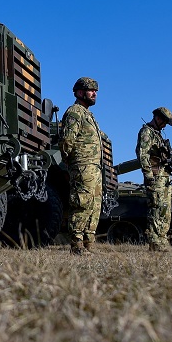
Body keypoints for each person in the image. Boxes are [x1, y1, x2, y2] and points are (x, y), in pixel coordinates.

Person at [58, 77, 104, 255]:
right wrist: (72, 165)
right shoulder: (74, 112)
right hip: (83, 166)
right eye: (91, 90)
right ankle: (76, 245)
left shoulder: (88, 115)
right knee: (81, 203)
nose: (95, 94)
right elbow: (66, 141)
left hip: (94, 168)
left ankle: (88, 243)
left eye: (96, 91)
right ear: (79, 92)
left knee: (94, 206)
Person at [136, 107, 172, 252]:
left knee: (165, 211)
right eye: (164, 121)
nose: (165, 125)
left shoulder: (158, 135)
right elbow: (143, 155)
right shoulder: (147, 132)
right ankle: (154, 242)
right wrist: (148, 176)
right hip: (155, 177)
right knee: (156, 209)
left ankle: (162, 239)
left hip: (164, 177)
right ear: (158, 118)